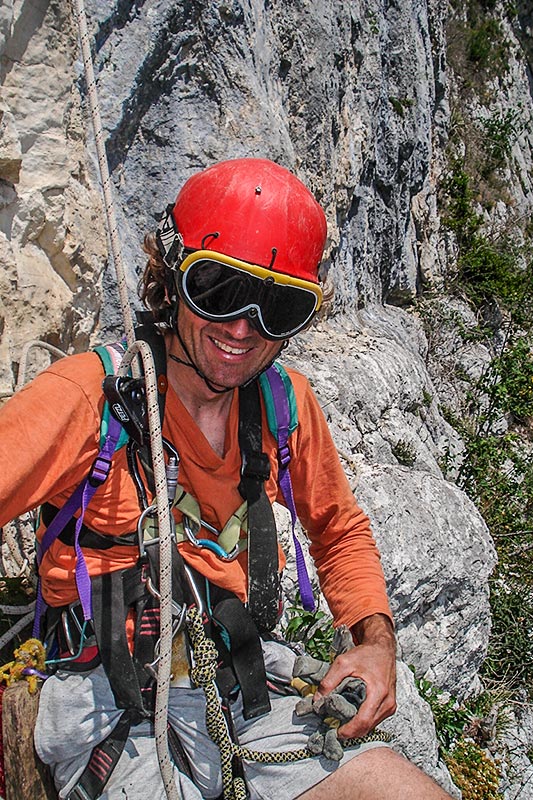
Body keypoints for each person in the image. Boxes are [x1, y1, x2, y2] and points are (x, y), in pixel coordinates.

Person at [0, 158, 451, 800]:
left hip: (244, 679)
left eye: (277, 306)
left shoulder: (282, 406)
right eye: (218, 290)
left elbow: (338, 528)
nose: (242, 329)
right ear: (171, 278)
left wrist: (376, 642)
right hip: (109, 701)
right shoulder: (89, 398)